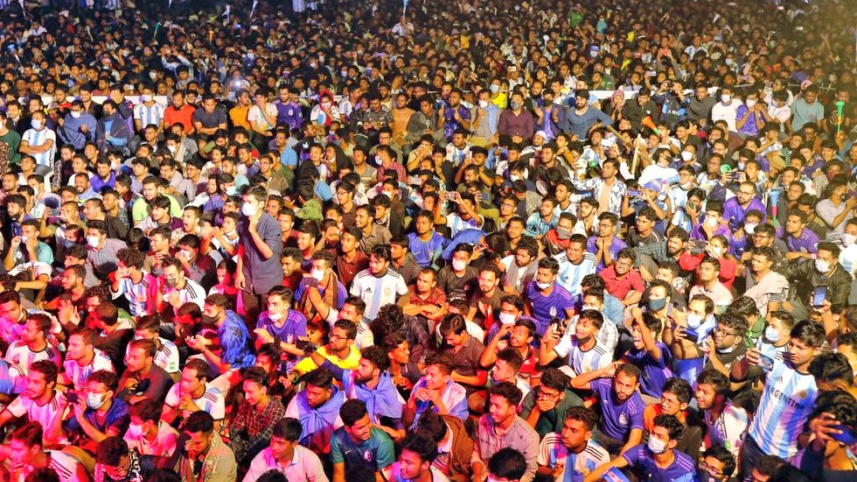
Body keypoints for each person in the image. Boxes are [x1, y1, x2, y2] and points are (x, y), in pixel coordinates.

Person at [584, 414, 697, 482]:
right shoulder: (642, 451)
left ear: (672, 443)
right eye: (653, 433)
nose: (653, 438)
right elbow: (608, 466)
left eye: (660, 436)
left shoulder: (686, 468)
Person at [536, 406, 610, 482]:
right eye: (565, 427)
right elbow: (537, 467)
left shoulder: (600, 457)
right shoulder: (550, 440)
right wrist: (551, 472)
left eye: (573, 430)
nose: (565, 434)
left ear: (587, 435)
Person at [243, 418, 330, 482]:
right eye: (273, 440)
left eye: (280, 443)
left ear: (294, 443)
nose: (274, 447)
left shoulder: (309, 459)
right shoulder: (262, 457)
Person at [330, 399, 396, 482]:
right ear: (347, 429)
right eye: (361, 428)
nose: (367, 429)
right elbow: (339, 474)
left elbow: (384, 478)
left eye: (368, 422)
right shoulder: (337, 439)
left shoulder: (383, 442)